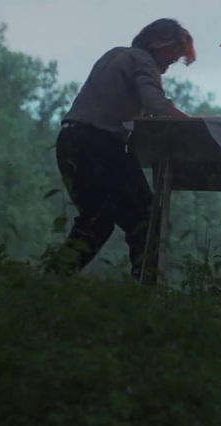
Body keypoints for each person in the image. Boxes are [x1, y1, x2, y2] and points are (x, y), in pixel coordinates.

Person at [49, 18, 195, 283]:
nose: (168, 67)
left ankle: (51, 281)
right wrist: (196, 127)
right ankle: (146, 290)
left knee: (97, 219)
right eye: (171, 58)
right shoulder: (142, 61)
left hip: (71, 141)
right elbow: (157, 106)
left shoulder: (115, 56)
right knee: (147, 220)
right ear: (160, 44)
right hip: (100, 145)